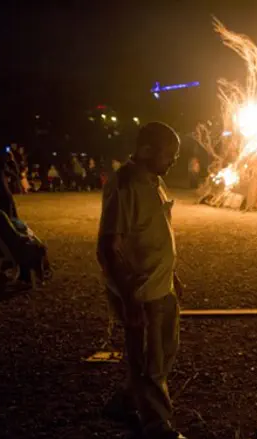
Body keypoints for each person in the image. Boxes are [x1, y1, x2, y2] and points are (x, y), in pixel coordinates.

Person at [97, 122, 187, 439]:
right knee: (150, 361)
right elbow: (109, 248)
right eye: (169, 154)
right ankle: (156, 425)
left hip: (160, 285)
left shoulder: (154, 181)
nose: (173, 161)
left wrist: (171, 273)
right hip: (141, 291)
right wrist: (128, 296)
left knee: (164, 352)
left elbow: (154, 233)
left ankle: (124, 402)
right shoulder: (125, 185)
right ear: (146, 150)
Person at [0, 186, 48, 284]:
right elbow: (14, 235)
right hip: (11, 248)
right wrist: (27, 236)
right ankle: (38, 275)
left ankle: (26, 276)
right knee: (40, 246)